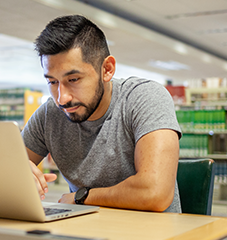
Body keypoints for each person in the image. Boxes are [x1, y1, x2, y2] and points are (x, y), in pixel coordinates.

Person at [22, 14, 182, 212]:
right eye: (52, 82)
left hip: (153, 236)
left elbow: (155, 193)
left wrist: (82, 197)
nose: (62, 99)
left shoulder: (145, 98)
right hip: (86, 234)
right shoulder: (49, 115)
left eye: (73, 80)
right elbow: (0, 167)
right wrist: (13, 171)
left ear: (107, 69)